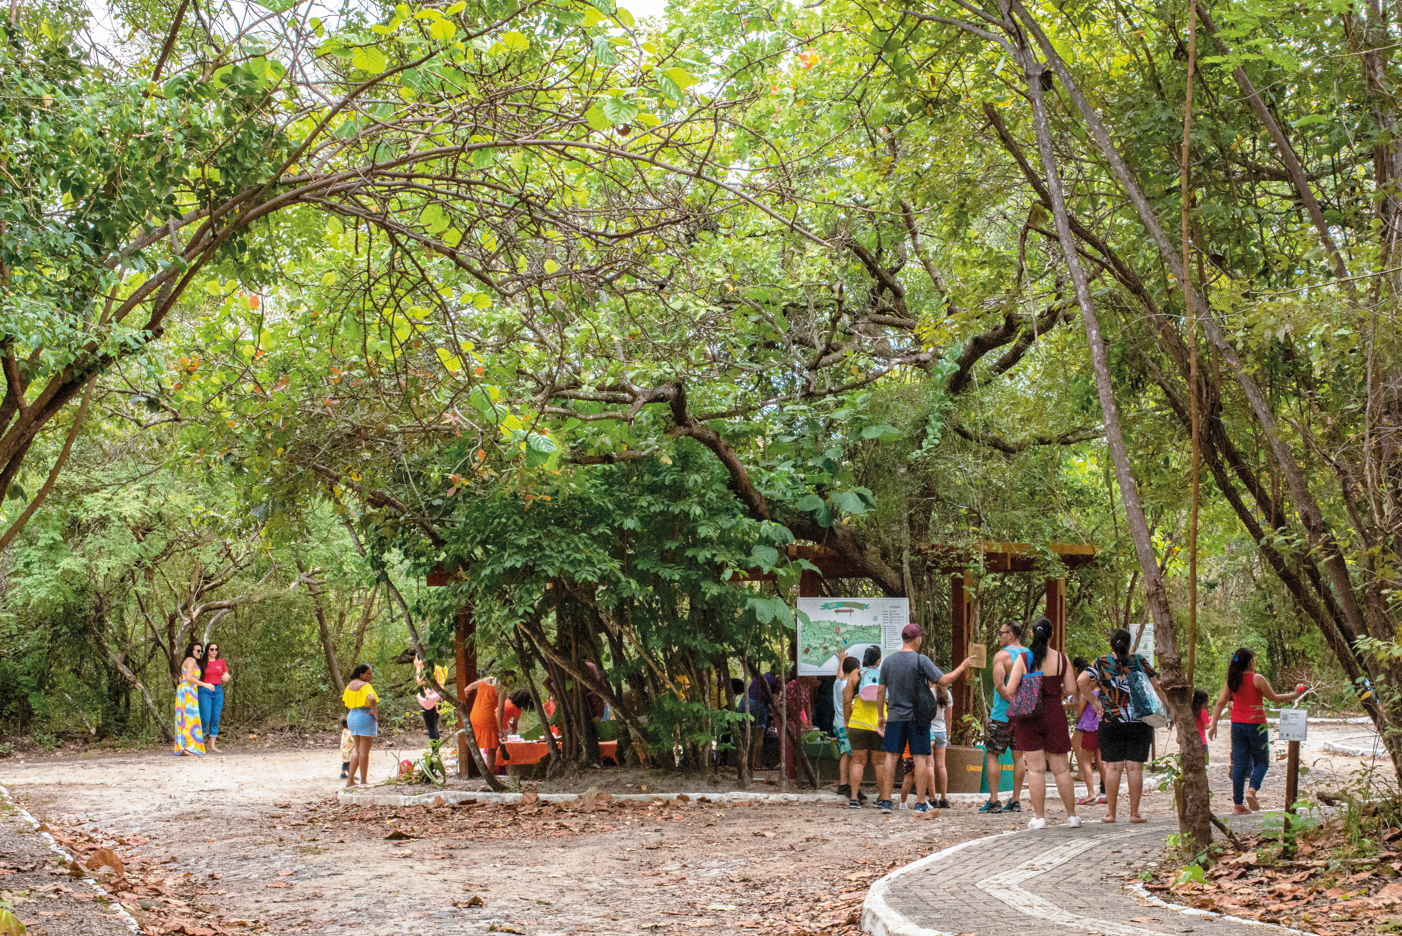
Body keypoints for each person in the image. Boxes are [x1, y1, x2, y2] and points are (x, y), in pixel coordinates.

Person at [875, 624, 974, 814]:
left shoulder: (888, 661)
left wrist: (881, 715)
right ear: (917, 639)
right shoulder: (921, 660)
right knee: (920, 758)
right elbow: (943, 680)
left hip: (895, 717)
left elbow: (881, 690)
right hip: (917, 718)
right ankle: (920, 803)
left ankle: (886, 802)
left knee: (890, 758)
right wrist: (962, 666)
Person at [1002, 618, 1082, 829]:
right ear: (1051, 635)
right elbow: (1072, 690)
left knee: (1036, 770)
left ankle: (1039, 818)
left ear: (1031, 634)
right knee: (1062, 770)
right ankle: (1072, 817)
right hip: (1055, 714)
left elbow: (1010, 690)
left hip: (1030, 716)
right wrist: (1058, 692)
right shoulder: (1061, 659)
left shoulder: (1024, 658)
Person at [1208, 647, 1306, 813]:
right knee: (1262, 761)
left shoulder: (1232, 680)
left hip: (1237, 725)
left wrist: (1213, 724)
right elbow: (1274, 698)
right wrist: (1294, 695)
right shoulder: (1257, 679)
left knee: (1239, 763)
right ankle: (1252, 790)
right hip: (1256, 724)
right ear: (1251, 662)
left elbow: (1220, 701)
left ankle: (1237, 804)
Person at [1092, 628, 1167, 824]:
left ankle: (1111, 814)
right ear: (1130, 643)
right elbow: (1156, 687)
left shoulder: (1101, 662)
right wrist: (1169, 709)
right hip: (1138, 721)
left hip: (1111, 720)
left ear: (1111, 644)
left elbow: (1081, 680)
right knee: (1135, 769)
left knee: (1113, 769)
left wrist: (1095, 703)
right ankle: (1134, 814)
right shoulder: (1139, 662)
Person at [981, 621, 1028, 814]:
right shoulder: (1029, 656)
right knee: (1019, 757)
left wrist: (1011, 702)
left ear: (1010, 635)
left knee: (993, 754)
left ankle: (994, 801)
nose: (998, 636)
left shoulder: (1002, 656)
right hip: (1023, 715)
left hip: (1002, 714)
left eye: (1001, 633)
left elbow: (999, 685)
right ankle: (1015, 800)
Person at [843, 646, 884, 808]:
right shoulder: (883, 675)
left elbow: (846, 700)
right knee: (880, 762)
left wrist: (847, 721)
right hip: (878, 725)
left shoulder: (855, 674)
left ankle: (854, 799)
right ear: (878, 660)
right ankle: (882, 798)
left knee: (858, 761)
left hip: (857, 722)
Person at [1070, 656, 1105, 805]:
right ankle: (1107, 792)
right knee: (1101, 760)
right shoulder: (1103, 693)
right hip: (1102, 727)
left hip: (1089, 727)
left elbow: (1080, 711)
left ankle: (1091, 793)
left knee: (1085, 761)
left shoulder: (1088, 693)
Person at [342, 663, 379, 788]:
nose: (371, 676)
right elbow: (372, 699)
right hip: (364, 715)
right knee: (364, 752)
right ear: (361, 674)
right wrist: (375, 712)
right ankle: (363, 781)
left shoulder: (350, 685)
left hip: (352, 716)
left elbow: (346, 701)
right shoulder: (365, 686)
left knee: (357, 751)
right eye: (368, 673)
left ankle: (350, 780)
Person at [174, 642, 213, 756]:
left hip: (189, 690)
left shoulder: (189, 660)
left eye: (201, 651)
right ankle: (187, 746)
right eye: (198, 651)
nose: (200, 653)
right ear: (192, 651)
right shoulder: (191, 660)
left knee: (187, 718)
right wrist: (205, 684)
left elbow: (185, 677)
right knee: (189, 718)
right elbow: (190, 678)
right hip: (188, 690)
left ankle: (185, 746)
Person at [780, 671, 818, 782]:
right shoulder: (793, 685)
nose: (815, 677)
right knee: (788, 742)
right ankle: (789, 773)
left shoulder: (807, 686)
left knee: (798, 739)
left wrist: (809, 720)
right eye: (813, 674)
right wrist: (801, 723)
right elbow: (791, 707)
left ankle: (797, 769)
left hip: (794, 714)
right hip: (784, 713)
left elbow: (807, 703)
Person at [833, 653, 860, 799]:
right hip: (845, 724)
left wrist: (842, 659)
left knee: (847, 753)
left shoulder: (838, 682)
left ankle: (847, 784)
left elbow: (839, 674)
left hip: (837, 723)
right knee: (848, 754)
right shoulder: (846, 687)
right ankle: (844, 784)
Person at [465, 674, 502, 773]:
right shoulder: (501, 687)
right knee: (492, 748)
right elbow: (501, 709)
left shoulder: (487, 679)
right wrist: (501, 728)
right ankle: (490, 774)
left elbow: (470, 686)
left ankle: (481, 769)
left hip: (474, 715)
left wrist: (467, 691)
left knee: (474, 743)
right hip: (487, 717)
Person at [199, 642, 230, 753]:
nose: (214, 651)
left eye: (216, 649)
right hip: (204, 690)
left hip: (218, 691)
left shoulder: (221, 662)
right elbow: (192, 673)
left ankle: (212, 745)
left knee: (215, 718)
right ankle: (199, 743)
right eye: (211, 649)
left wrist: (227, 676)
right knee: (205, 717)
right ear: (207, 650)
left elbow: (226, 674)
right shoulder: (201, 662)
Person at [930, 684, 953, 809]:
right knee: (941, 765)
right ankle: (944, 798)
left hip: (929, 731)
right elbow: (948, 718)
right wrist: (947, 735)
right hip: (942, 731)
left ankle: (933, 798)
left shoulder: (928, 693)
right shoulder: (947, 694)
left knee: (930, 765)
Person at [414, 656, 442, 741]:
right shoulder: (436, 667)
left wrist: (418, 668)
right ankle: (436, 751)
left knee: (431, 727)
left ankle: (435, 752)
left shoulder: (428, 670)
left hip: (429, 700)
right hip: (437, 698)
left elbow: (420, 682)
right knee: (433, 726)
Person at [1192, 689, 1211, 766]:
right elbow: (1206, 726)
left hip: (1192, 740)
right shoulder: (1203, 711)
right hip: (1201, 741)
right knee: (1203, 762)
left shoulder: (1190, 711)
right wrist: (1212, 722)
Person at [339, 715, 353, 779]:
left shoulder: (344, 731)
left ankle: (342, 772)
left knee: (344, 761)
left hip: (344, 749)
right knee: (350, 763)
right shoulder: (350, 733)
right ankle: (351, 775)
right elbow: (353, 740)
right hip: (349, 750)